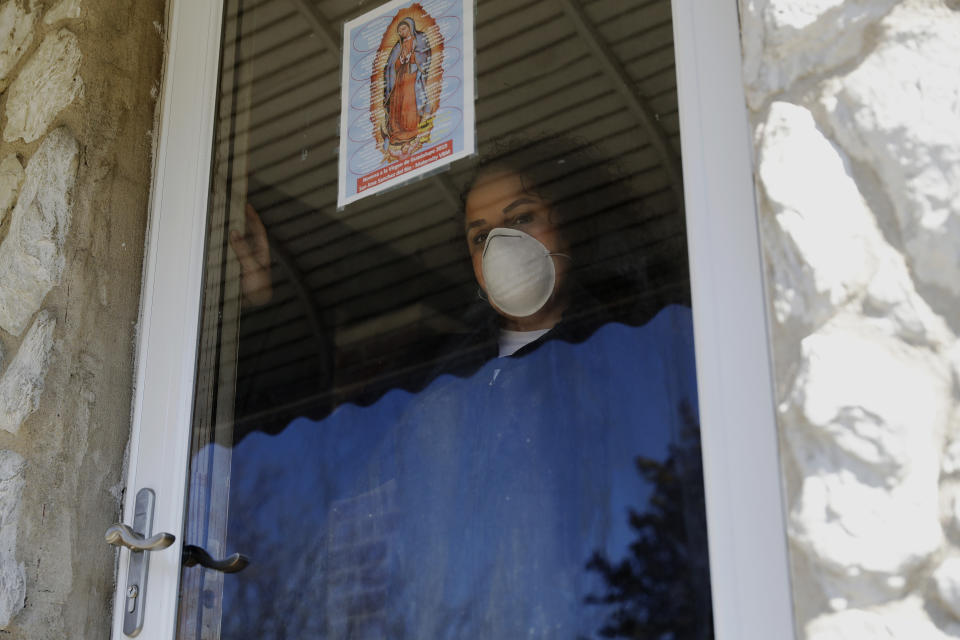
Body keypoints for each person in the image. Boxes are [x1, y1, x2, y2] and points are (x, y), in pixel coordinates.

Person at [222, 137, 712, 639]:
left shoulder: (631, 343)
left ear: (569, 220)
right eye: (480, 237)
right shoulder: (433, 375)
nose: (501, 246)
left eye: (521, 218)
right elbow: (305, 443)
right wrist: (264, 300)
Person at [383, 17, 432, 150]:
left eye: (403, 29)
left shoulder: (419, 39)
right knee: (397, 103)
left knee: (409, 102)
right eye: (399, 31)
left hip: (412, 76)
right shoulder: (398, 46)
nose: (402, 32)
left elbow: (424, 54)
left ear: (410, 28)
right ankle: (398, 131)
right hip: (400, 77)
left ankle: (411, 129)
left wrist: (412, 57)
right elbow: (391, 65)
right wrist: (400, 59)